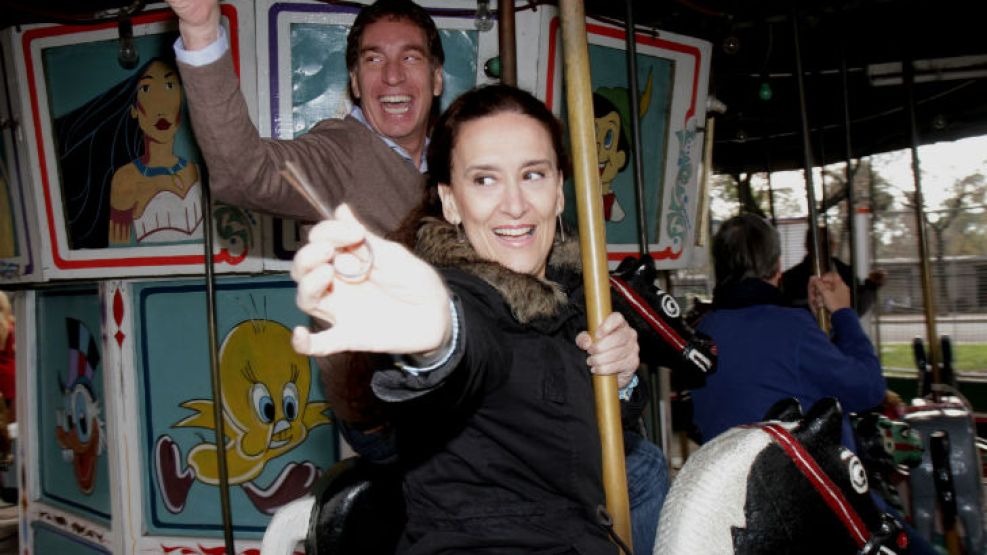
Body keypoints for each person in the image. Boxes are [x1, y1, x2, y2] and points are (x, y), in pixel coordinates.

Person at [291, 84, 654, 552]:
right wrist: (437, 337)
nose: (515, 204)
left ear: (560, 192)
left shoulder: (580, 299)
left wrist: (620, 377)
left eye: (533, 175)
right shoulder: (462, 296)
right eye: (485, 180)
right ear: (450, 201)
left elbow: (582, 436)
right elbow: (470, 351)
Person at [165, 0, 444, 440]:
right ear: (354, 82)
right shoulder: (339, 152)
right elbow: (243, 172)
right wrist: (201, 31)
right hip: (388, 415)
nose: (393, 76)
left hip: (458, 395)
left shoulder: (454, 158)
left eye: (410, 57)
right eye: (374, 60)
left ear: (436, 76)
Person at [690, 214, 885, 450]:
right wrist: (843, 314)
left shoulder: (703, 330)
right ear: (778, 266)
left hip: (724, 470)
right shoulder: (792, 327)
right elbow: (868, 390)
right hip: (793, 477)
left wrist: (816, 326)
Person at [55, 56, 201, 249]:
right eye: (146, 89)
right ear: (134, 110)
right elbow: (118, 253)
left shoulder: (198, 171)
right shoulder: (125, 178)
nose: (160, 108)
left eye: (170, 86)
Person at [781, 226, 886, 316]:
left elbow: (857, 308)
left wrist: (871, 286)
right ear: (807, 246)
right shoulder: (789, 280)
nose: (823, 249)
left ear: (833, 246)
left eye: (827, 243)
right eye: (818, 244)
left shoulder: (846, 273)